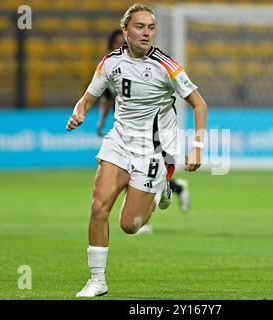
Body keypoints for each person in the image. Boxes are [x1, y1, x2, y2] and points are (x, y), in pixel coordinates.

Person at [66, 3, 207, 298]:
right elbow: (87, 97)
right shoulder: (109, 63)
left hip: (154, 150)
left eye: (151, 27)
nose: (146, 33)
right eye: (140, 27)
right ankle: (97, 280)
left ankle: (162, 188)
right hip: (119, 141)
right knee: (97, 206)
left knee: (130, 225)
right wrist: (79, 113)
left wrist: (196, 147)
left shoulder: (167, 66)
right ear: (125, 30)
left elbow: (199, 103)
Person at [97, 28, 191, 218]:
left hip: (153, 132)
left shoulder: (151, 67)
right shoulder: (113, 67)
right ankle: (167, 190)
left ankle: (171, 189)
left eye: (120, 42)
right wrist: (101, 121)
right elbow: (107, 99)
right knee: (131, 172)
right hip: (126, 130)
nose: (118, 46)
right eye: (114, 44)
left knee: (144, 173)